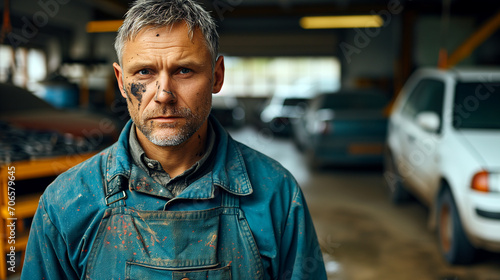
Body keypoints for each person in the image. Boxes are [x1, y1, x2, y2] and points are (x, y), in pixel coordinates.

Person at [21, 0, 327, 279]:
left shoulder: (277, 194)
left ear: (217, 76)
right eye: (144, 72)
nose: (164, 94)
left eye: (184, 70)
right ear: (121, 81)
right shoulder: (66, 202)